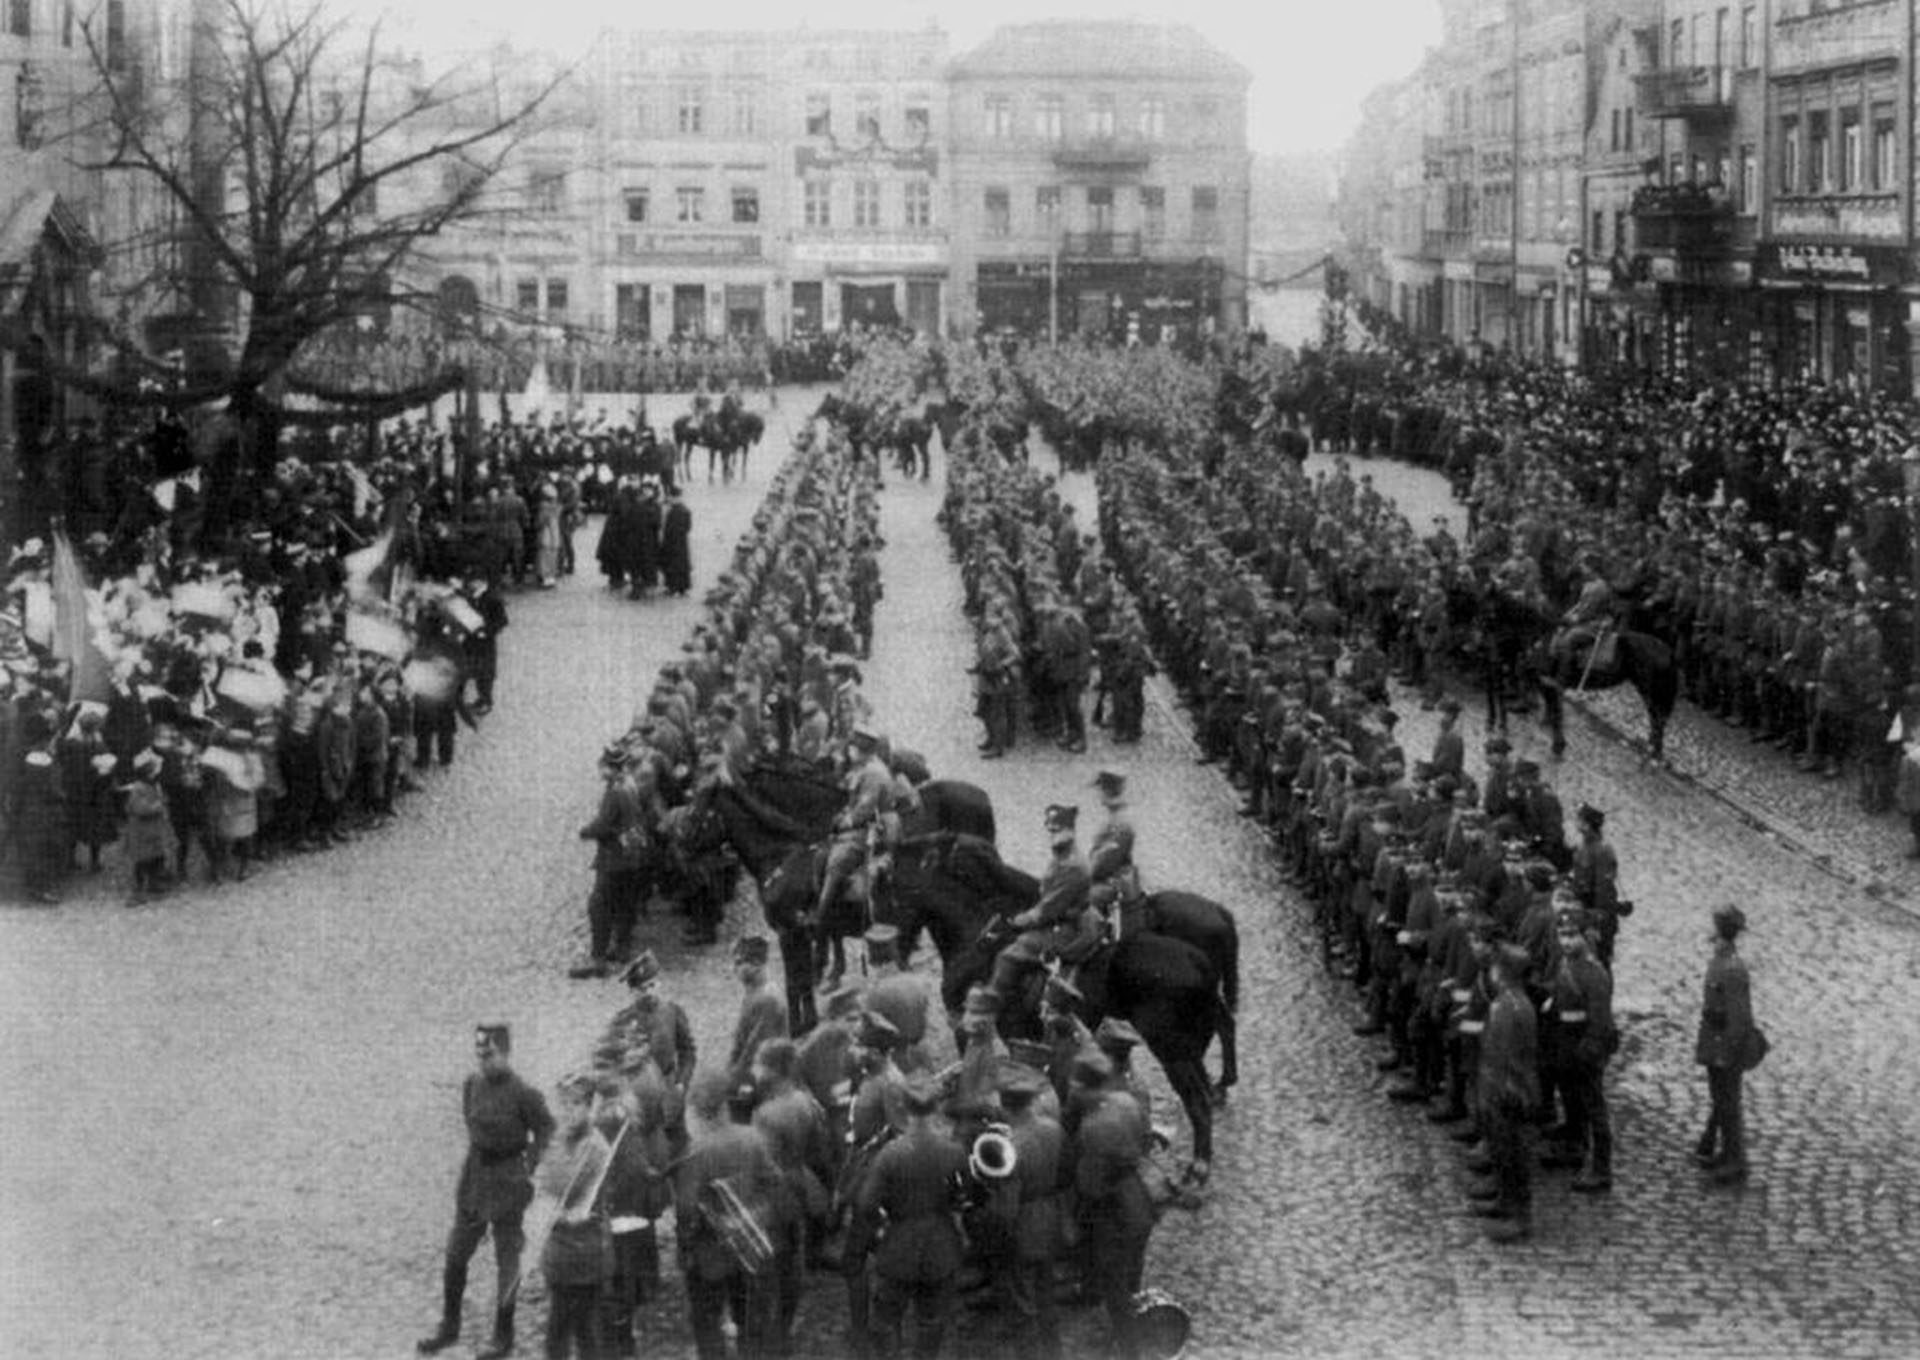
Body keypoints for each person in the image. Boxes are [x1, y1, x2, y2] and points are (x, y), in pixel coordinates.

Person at [418, 1024, 556, 1359]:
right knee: (455, 1254)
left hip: (508, 1180)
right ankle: (449, 1325)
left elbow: (546, 1129)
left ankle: (503, 1335)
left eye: (490, 1054)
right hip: (476, 1178)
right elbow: (471, 1119)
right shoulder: (472, 1084)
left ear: (505, 1052)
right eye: (479, 1054)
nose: (483, 1061)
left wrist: (530, 1165)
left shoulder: (524, 1093)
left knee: (507, 1260)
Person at [853, 1073, 968, 1359]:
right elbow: (964, 1197)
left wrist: (881, 1227)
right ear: (935, 1109)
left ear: (904, 1108)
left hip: (898, 1247)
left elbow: (866, 1204)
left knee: (886, 1320)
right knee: (932, 1321)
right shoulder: (954, 1151)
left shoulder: (890, 1154)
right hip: (942, 1246)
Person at [673, 1072, 785, 1360]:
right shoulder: (752, 1137)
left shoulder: (695, 1153)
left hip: (709, 1254)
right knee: (749, 1318)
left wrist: (685, 1248)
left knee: (707, 1322)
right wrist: (756, 1218)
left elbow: (686, 1211)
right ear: (724, 1107)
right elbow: (774, 1183)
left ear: (696, 1114)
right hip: (750, 1247)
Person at [1070, 1048, 1155, 1356]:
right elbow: (1146, 1140)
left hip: (1113, 1210)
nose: (1072, 1088)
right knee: (1131, 1271)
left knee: (1114, 1282)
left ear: (1084, 1086)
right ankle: (1132, 1318)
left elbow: (1090, 1186)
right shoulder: (1126, 1101)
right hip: (1138, 1197)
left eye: (1076, 1083)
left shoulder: (1093, 1126)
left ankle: (1129, 1346)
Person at [534, 1072, 612, 1360]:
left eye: (575, 1103)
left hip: (583, 1256)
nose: (567, 1110)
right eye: (563, 1103)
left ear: (590, 1106)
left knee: (577, 1333)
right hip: (560, 1253)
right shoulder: (559, 1138)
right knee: (567, 1331)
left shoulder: (595, 1148)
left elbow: (561, 1184)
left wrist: (549, 1199)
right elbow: (544, 1181)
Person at [989, 804, 1092, 1010]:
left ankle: (989, 1008)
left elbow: (1047, 910)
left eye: (1058, 830)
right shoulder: (1062, 856)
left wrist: (1017, 921)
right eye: (1051, 830)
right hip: (1059, 917)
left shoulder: (1071, 864)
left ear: (1070, 830)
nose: (1054, 835)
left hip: (1064, 929)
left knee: (1008, 956)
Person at [1695, 904, 1757, 1185]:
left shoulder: (1731, 968)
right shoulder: (1722, 960)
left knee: (1729, 1102)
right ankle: (1721, 1150)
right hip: (1715, 1039)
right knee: (1722, 1098)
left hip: (1725, 1045)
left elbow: (1739, 1016)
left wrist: (1729, 1051)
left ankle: (1736, 1160)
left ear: (1720, 932)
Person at [727, 935, 788, 1087]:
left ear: (756, 964)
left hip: (765, 1076)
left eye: (739, 963)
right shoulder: (754, 992)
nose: (734, 969)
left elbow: (755, 1046)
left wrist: (735, 1076)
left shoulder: (767, 998)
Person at [660, 484, 694, 597]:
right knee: (682, 565)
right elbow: (688, 527)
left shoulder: (674, 511)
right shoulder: (685, 510)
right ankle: (683, 587)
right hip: (682, 543)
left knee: (672, 565)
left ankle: (673, 587)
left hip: (672, 543)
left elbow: (668, 528)